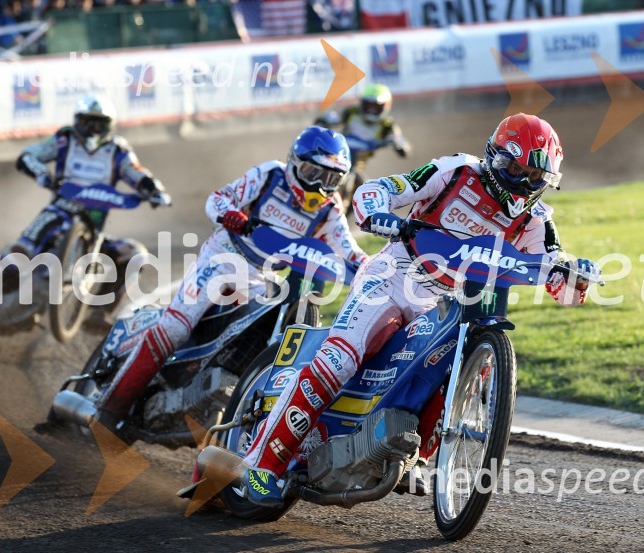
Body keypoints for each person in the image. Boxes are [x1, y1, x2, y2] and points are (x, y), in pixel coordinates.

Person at [241, 113, 602, 506]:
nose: (524, 182)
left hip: (443, 304)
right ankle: (263, 463)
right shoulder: (454, 171)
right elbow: (381, 190)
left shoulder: (536, 220)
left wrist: (574, 278)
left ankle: (412, 456)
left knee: (453, 367)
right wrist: (382, 216)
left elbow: (556, 277)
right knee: (340, 358)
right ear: (497, 158)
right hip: (394, 276)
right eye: (516, 168)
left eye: (535, 177)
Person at [93, 126, 368, 430]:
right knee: (174, 327)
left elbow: (349, 250)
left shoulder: (330, 211)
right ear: (294, 162)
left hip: (261, 278)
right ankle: (108, 411)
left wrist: (372, 268)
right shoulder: (269, 175)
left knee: (255, 337)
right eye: (313, 173)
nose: (320, 185)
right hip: (223, 256)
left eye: (331, 178)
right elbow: (218, 199)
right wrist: (232, 217)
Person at [11, 93, 170, 316]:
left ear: (109, 125)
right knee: (22, 250)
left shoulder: (117, 149)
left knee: (135, 255)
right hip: (59, 212)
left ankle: (99, 315)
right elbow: (29, 156)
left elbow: (135, 172)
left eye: (99, 123)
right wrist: (44, 176)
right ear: (78, 121)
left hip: (94, 227)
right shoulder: (65, 139)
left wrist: (155, 191)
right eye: (88, 122)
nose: (93, 129)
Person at [315, 83, 411, 211]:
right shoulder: (352, 112)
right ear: (362, 104)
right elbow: (333, 117)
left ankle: (351, 212)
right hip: (337, 153)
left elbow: (400, 140)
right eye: (368, 105)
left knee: (366, 187)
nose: (371, 110)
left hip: (358, 163)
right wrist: (327, 119)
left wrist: (399, 145)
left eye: (375, 107)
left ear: (385, 106)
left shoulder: (387, 125)